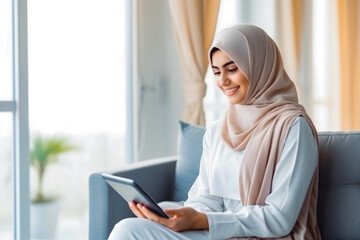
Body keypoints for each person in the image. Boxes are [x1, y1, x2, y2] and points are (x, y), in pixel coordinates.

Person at [108, 24, 321, 240]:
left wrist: (203, 221)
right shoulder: (219, 129)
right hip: (216, 232)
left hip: (266, 236)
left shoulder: (294, 127)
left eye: (232, 69)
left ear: (259, 66)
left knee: (128, 232)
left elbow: (279, 219)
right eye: (217, 72)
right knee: (130, 227)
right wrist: (177, 216)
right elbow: (206, 199)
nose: (222, 81)